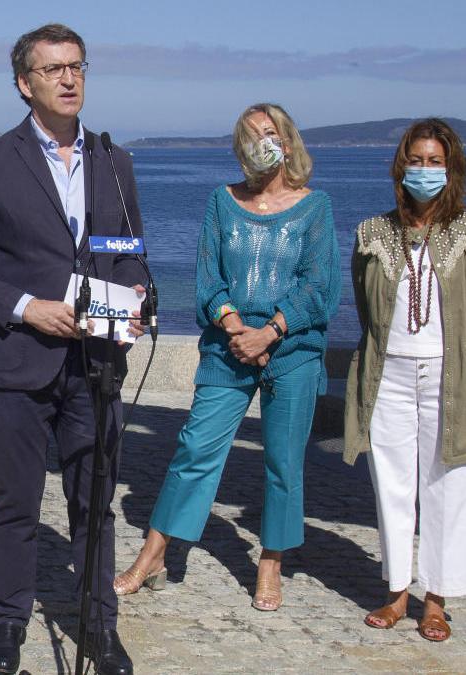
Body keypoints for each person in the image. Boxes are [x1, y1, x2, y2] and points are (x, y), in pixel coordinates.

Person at [0, 24, 148, 675]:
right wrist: (28, 307)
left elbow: (128, 256)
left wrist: (137, 301)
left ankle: (99, 628)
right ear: (25, 83)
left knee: (95, 505)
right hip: (17, 361)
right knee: (17, 502)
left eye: (77, 66)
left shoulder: (115, 162)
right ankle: (7, 622)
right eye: (53, 68)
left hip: (96, 367)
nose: (68, 78)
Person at [113, 104, 340, 612]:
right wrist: (236, 327)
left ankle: (270, 562)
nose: (262, 142)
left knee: (283, 462)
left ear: (288, 140)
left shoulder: (315, 207)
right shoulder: (223, 201)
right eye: (251, 135)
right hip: (227, 345)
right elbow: (207, 278)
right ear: (239, 148)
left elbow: (320, 286)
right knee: (195, 448)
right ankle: (154, 553)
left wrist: (271, 332)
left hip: (292, 351)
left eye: (270, 132)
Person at [345, 118, 466, 642]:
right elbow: (365, 302)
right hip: (389, 372)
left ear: (452, 168)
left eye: (435, 161)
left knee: (448, 483)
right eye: (416, 160)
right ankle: (396, 590)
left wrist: (458, 354)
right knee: (391, 483)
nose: (424, 170)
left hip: (448, 374)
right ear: (401, 166)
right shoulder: (373, 232)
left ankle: (436, 599)